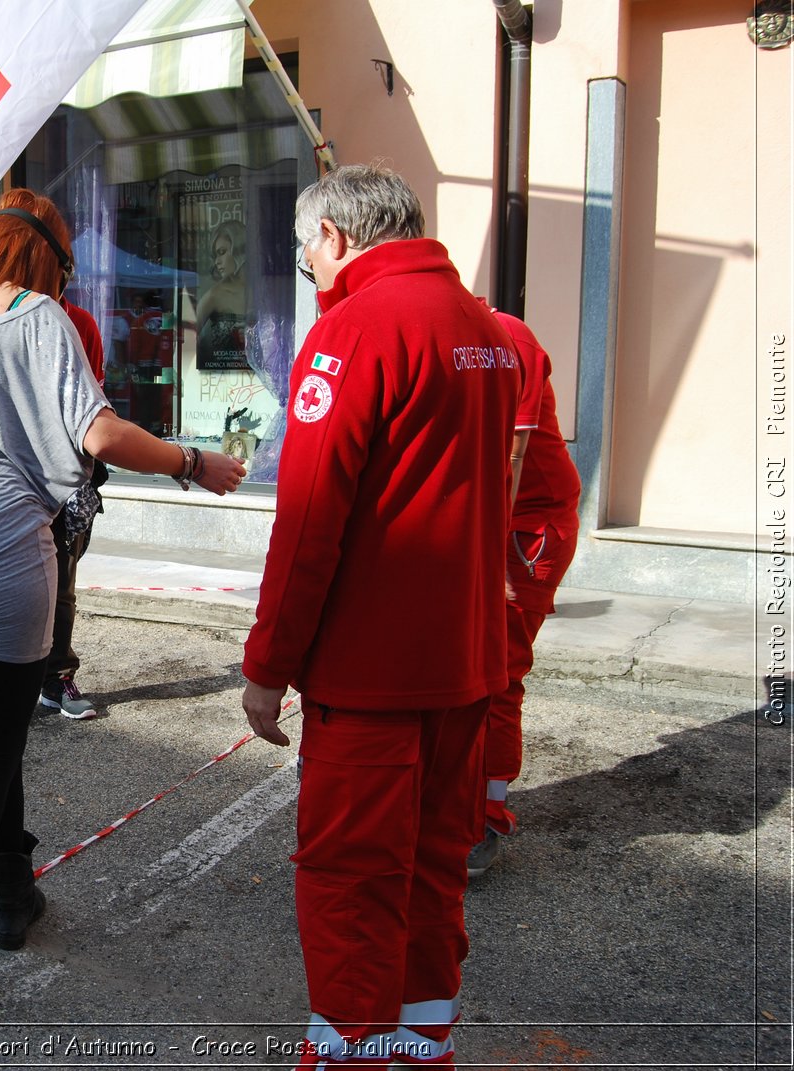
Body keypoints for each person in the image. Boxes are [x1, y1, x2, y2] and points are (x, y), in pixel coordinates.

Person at [0, 188, 244, 1018]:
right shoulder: (38, 318)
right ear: (46, 259)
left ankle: (13, 888)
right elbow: (99, 434)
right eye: (66, 268)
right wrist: (192, 462)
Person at [238, 165, 519, 1067]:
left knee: (352, 878)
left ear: (337, 239)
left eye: (304, 249)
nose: (307, 268)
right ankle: (421, 1041)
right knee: (436, 868)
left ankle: (352, 1050)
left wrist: (266, 663)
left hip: (372, 673)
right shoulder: (488, 329)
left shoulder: (352, 329)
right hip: (463, 661)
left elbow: (311, 514)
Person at [467, 311, 581, 876]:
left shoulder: (506, 338)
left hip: (522, 530)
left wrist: (488, 555)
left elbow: (511, 456)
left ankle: (486, 816)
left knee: (498, 674)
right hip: (482, 525)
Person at [37, 297, 107, 721]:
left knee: (61, 583)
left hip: (66, 476)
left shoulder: (79, 323)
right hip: (10, 478)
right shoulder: (0, 317)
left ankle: (56, 679)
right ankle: (14, 683)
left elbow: (95, 405)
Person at [194, 219, 248, 369]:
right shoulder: (214, 296)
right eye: (215, 255)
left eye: (222, 253)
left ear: (239, 250)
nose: (217, 262)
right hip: (219, 381)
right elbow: (185, 339)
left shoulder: (261, 293)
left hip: (259, 379)